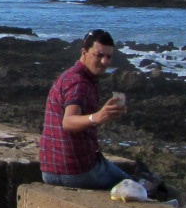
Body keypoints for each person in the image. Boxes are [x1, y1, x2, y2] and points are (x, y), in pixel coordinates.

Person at [39, 30, 141, 189]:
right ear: (84, 52)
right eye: (99, 55)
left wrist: (103, 116)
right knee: (134, 187)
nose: (105, 61)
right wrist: (97, 117)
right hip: (77, 172)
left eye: (109, 56)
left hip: (49, 169)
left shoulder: (68, 76)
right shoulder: (79, 84)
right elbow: (68, 122)